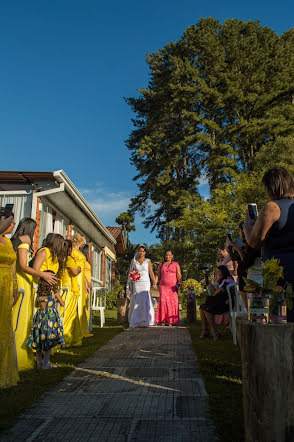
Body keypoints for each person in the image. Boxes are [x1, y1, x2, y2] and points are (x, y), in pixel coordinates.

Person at [243, 167, 294, 321]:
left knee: (281, 316)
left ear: (272, 186)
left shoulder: (272, 208)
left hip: (279, 270)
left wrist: (247, 227)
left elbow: (254, 241)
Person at [11, 218, 57, 370]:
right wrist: (43, 274)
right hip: (22, 281)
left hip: (26, 281)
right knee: (21, 319)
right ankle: (18, 356)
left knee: (25, 320)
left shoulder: (20, 242)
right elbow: (23, 266)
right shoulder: (24, 244)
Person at [26, 272, 65, 369]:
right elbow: (62, 304)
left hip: (40, 320)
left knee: (39, 341)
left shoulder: (39, 294)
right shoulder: (53, 293)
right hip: (50, 320)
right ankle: (46, 364)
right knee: (49, 340)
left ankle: (39, 363)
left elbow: (36, 305)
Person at [0, 211, 19, 387]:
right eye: (10, 222)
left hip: (6, 286)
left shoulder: (8, 242)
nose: (12, 226)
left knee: (4, 325)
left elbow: (13, 266)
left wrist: (14, 288)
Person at [228, 223, 261, 310]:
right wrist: (231, 249)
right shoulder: (245, 244)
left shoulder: (252, 244)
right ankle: (248, 314)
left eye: (240, 230)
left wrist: (239, 250)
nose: (239, 232)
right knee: (247, 300)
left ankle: (251, 315)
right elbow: (234, 257)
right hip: (243, 273)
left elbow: (246, 262)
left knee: (253, 300)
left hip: (251, 274)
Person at [199, 265, 234, 340]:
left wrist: (218, 290)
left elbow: (225, 290)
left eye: (219, 271)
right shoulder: (220, 280)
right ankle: (205, 330)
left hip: (226, 303)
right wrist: (213, 288)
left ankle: (216, 332)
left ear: (223, 271)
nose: (218, 273)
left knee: (207, 310)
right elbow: (217, 293)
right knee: (202, 308)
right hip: (219, 302)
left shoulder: (229, 278)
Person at [126, 245, 157, 328]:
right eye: (140, 251)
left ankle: (146, 319)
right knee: (137, 299)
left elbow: (151, 273)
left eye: (143, 251)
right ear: (137, 252)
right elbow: (131, 272)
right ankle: (136, 320)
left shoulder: (148, 261)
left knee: (145, 299)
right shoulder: (134, 261)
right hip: (137, 282)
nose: (141, 253)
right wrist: (133, 278)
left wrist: (154, 282)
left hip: (146, 282)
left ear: (145, 252)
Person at [60, 240, 83, 347]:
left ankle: (70, 338)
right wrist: (79, 269)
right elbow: (74, 272)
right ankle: (65, 338)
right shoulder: (68, 259)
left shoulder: (59, 258)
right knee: (69, 315)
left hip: (62, 288)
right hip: (69, 289)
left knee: (63, 314)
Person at [72, 232, 92, 337]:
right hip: (76, 278)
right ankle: (76, 329)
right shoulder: (71, 252)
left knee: (83, 303)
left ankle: (82, 328)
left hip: (81, 277)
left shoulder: (79, 252)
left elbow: (83, 271)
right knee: (77, 302)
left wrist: (86, 283)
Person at [155, 250, 182, 326]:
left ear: (172, 256)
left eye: (169, 255)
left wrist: (180, 283)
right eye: (166, 255)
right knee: (163, 301)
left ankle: (171, 320)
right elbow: (158, 275)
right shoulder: (161, 264)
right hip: (163, 286)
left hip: (173, 287)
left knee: (172, 302)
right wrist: (155, 283)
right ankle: (162, 320)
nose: (167, 257)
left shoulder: (176, 264)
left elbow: (179, 275)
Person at [81, 243, 92, 323]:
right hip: (84, 284)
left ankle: (87, 323)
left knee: (87, 304)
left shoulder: (86, 260)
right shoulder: (82, 260)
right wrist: (87, 283)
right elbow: (82, 273)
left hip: (88, 283)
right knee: (84, 304)